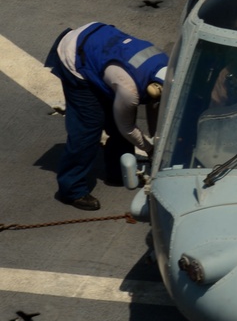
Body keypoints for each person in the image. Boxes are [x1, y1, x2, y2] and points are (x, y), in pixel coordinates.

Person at [46, 22, 170, 211]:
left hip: (101, 47)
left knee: (117, 119)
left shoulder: (168, 69)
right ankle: (71, 189)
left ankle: (118, 172)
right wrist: (150, 149)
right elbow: (127, 127)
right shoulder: (129, 90)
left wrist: (157, 140)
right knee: (88, 129)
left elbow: (156, 107)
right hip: (75, 56)